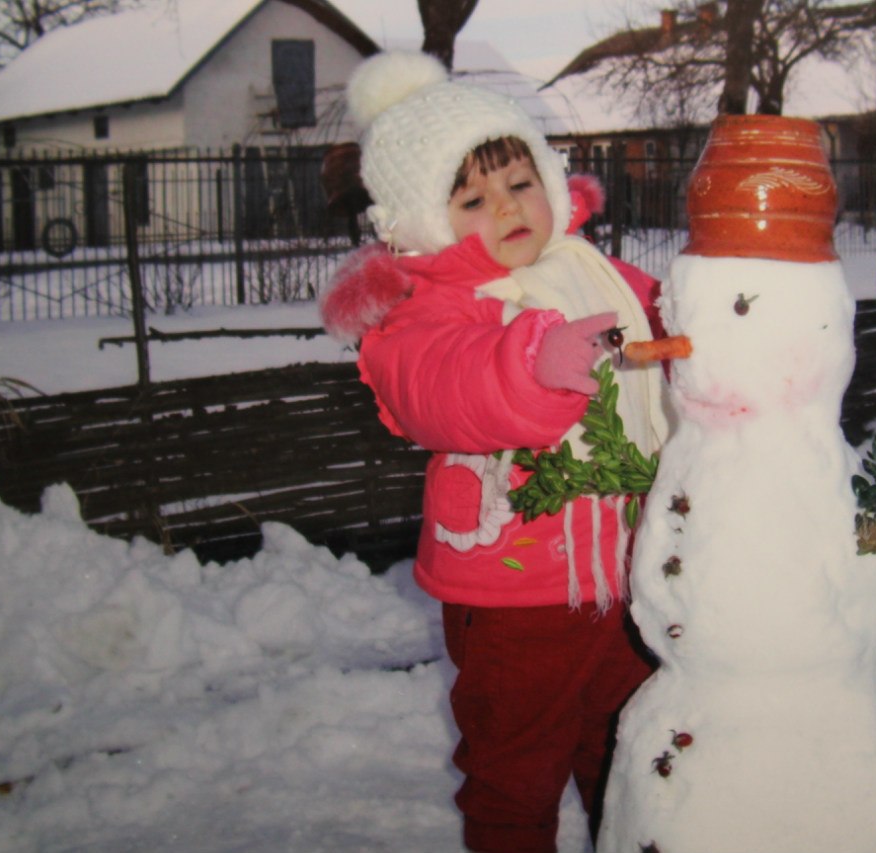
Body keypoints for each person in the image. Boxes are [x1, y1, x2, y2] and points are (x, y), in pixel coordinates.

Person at [319, 50, 669, 853]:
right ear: (424, 217)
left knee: (626, 753)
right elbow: (441, 386)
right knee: (516, 769)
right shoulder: (426, 313)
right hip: (513, 598)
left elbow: (671, 328)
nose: (507, 206)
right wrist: (529, 363)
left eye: (520, 180)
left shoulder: (593, 274)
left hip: (622, 580)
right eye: (472, 198)